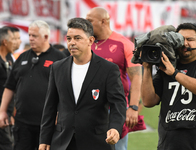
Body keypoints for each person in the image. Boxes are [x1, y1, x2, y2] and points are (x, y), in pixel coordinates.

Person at [38, 18, 126, 150]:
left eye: (77, 38)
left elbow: (118, 103)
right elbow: (50, 107)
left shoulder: (108, 69)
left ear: (90, 40)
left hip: (97, 142)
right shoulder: (57, 68)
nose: (72, 43)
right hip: (63, 142)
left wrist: (115, 128)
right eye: (69, 38)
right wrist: (44, 139)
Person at [0, 20, 65, 150]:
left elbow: (65, 89)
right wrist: (2, 111)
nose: (31, 39)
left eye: (34, 36)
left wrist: (61, 112)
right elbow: (10, 87)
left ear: (46, 37)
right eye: (30, 35)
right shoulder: (22, 57)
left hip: (48, 123)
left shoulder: (59, 58)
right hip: (23, 122)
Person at [86, 7, 142, 150]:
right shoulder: (86, 44)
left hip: (115, 109)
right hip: (88, 108)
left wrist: (134, 107)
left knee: (116, 147)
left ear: (103, 21)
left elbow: (136, 77)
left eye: (89, 21)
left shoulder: (124, 44)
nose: (85, 24)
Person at [141, 23, 196, 150]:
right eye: (180, 39)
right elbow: (148, 101)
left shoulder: (171, 69)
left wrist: (174, 73)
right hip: (169, 144)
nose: (185, 44)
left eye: (190, 40)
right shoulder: (167, 65)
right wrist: (147, 68)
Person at [0, 27, 15, 150]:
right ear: (5, 42)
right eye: (12, 39)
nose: (14, 42)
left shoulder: (10, 58)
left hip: (7, 115)